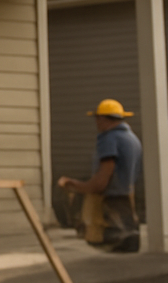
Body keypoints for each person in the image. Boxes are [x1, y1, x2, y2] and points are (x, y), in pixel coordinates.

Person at [58, 98, 142, 253]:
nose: (96, 123)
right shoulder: (132, 139)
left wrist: (75, 185)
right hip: (127, 199)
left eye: (97, 119)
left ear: (102, 119)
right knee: (128, 242)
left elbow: (101, 181)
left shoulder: (109, 139)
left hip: (109, 202)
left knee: (107, 244)